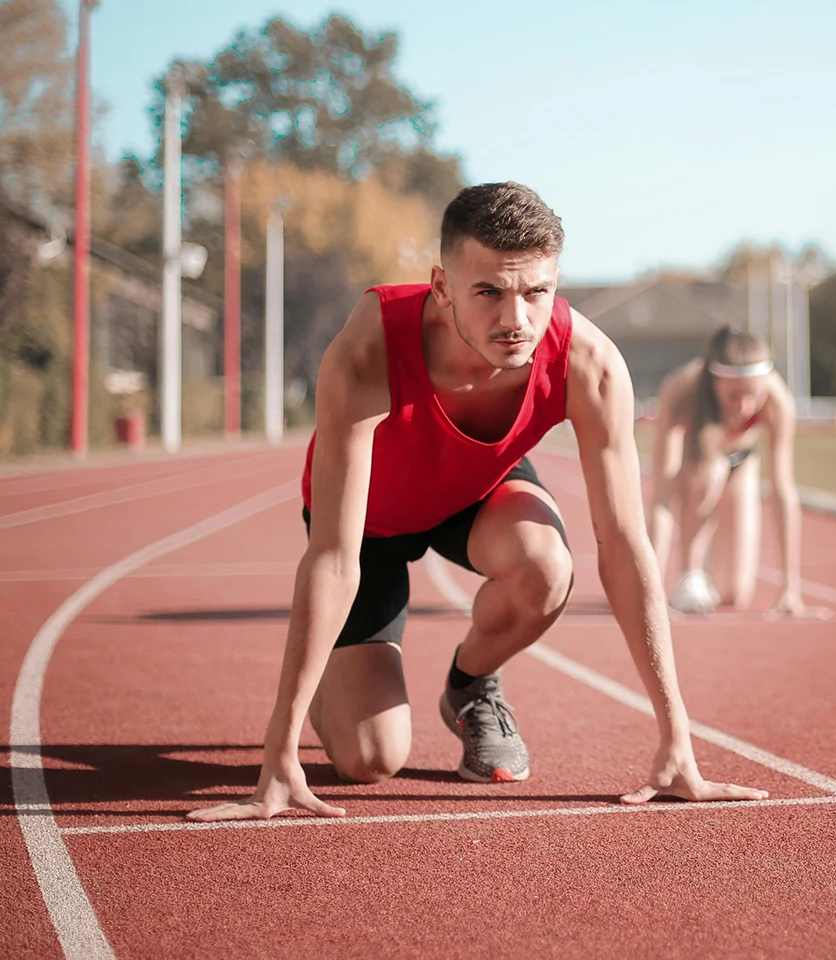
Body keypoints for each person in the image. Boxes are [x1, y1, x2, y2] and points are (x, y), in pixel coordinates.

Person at [189, 183, 767, 822]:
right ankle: (332, 674)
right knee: (370, 760)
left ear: (556, 282)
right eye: (488, 292)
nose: (515, 318)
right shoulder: (369, 349)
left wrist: (676, 741)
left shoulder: (589, 364)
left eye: (535, 292)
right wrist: (279, 752)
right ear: (442, 286)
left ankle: (470, 685)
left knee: (548, 566)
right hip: (370, 523)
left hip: (475, 493)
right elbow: (332, 555)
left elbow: (626, 546)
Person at [647, 326, 820, 618]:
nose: (745, 407)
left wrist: (790, 588)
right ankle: (689, 574)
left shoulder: (778, 400)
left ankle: (712, 571)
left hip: (742, 462)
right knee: (711, 472)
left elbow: (783, 491)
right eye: (733, 396)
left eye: (754, 395)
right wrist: (649, 591)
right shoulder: (681, 392)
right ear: (713, 384)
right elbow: (661, 496)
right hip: (696, 466)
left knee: (734, 594)